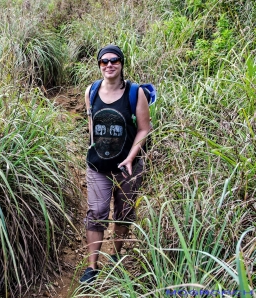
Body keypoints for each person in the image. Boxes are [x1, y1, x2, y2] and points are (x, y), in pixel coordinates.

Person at [79, 45, 151, 283]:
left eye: (114, 61)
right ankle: (92, 266)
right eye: (104, 62)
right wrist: (95, 148)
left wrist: (131, 157)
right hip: (98, 165)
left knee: (123, 213)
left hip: (128, 166)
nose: (109, 65)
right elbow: (91, 125)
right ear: (99, 65)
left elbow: (144, 128)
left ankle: (116, 255)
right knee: (96, 213)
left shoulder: (135, 92)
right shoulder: (91, 90)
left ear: (121, 63)